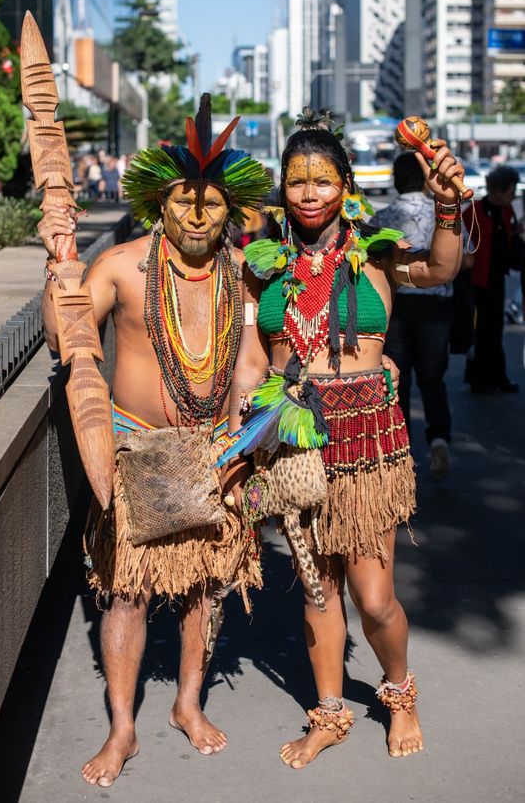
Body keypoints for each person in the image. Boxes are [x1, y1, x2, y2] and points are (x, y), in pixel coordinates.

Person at [220, 109, 467, 766]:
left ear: (344, 185)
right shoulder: (260, 265)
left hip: (368, 442)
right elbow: (250, 355)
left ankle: (399, 691)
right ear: (281, 187)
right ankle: (328, 715)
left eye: (321, 180)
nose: (306, 192)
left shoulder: (375, 251)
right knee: (314, 589)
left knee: (375, 599)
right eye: (295, 180)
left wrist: (445, 207)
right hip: (293, 441)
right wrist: (243, 423)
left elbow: (442, 269)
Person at [38, 94, 271, 788]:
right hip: (136, 449)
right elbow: (67, 340)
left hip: (213, 450)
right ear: (158, 204)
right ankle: (122, 727)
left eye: (211, 204)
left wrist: (241, 437)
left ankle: (186, 704)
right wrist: (60, 282)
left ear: (231, 209)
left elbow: (254, 360)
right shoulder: (120, 266)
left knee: (205, 588)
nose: (197, 215)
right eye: (184, 201)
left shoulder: (241, 272)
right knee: (128, 595)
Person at [373, 152, 474, 479]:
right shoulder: (439, 211)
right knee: (433, 379)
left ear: (395, 179)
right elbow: (465, 261)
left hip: (397, 307)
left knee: (397, 381)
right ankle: (439, 438)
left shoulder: (381, 217)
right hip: (436, 306)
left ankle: (402, 450)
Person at [463, 165, 520, 393]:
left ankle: (497, 376)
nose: (513, 196)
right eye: (510, 191)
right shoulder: (474, 211)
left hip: (496, 278)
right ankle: (480, 379)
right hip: (477, 281)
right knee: (481, 331)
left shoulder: (507, 212)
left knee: (495, 330)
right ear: (497, 190)